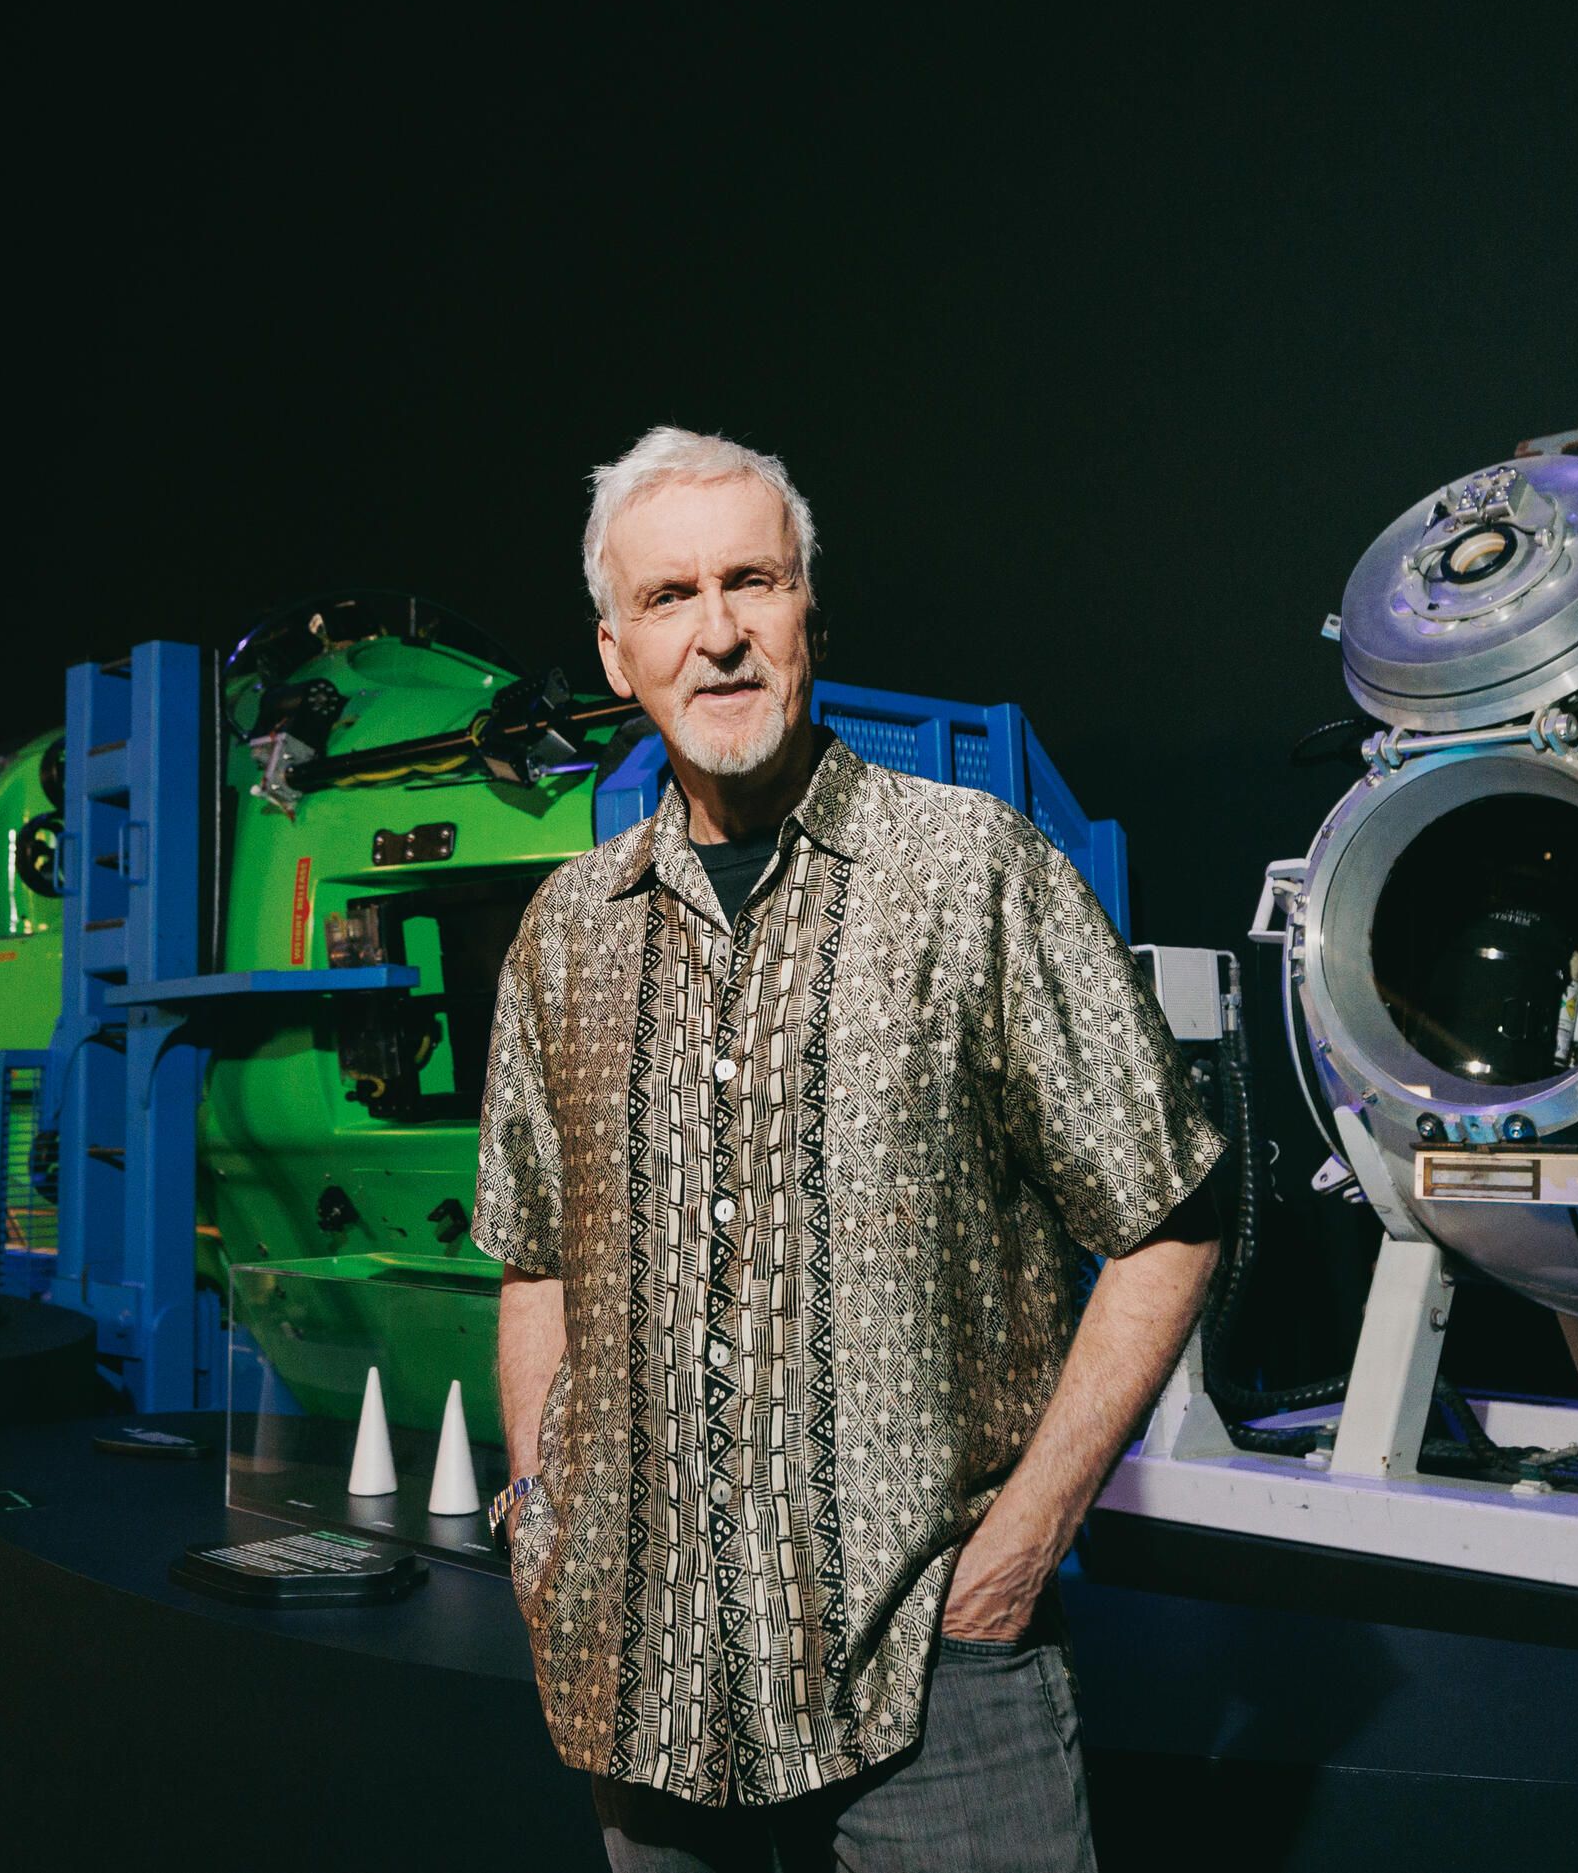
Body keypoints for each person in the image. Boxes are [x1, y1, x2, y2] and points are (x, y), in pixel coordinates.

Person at [474, 425, 1225, 1871]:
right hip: (647, 1674)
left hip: (937, 1676)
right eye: (671, 598)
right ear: (617, 652)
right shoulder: (567, 930)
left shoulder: (971, 869)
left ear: (809, 605)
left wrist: (1020, 1549)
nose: (720, 634)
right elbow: (534, 1254)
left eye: (751, 582)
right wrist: (541, 1508)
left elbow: (1169, 1212)